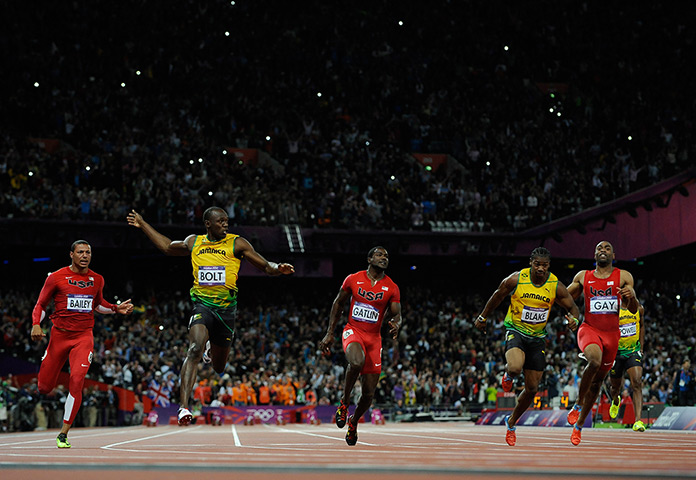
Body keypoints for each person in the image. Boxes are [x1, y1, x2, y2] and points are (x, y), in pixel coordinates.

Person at [127, 207, 294, 425]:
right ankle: (184, 407)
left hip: (227, 312)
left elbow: (265, 265)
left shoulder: (237, 243)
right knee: (194, 348)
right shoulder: (195, 242)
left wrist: (277, 267)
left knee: (218, 367)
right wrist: (144, 224)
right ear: (208, 224)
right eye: (220, 221)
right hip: (202, 306)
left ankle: (210, 347)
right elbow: (167, 247)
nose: (225, 224)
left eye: (226, 221)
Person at [30, 240, 134, 448]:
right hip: (59, 336)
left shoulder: (97, 279)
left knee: (77, 381)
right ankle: (47, 368)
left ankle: (63, 433)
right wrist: (35, 324)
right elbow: (41, 304)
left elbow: (97, 305)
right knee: (43, 387)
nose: (85, 256)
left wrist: (115, 308)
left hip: (83, 338)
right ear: (71, 254)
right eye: (80, 252)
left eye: (88, 252)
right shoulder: (56, 277)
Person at [474, 247, 580, 446]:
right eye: (537, 264)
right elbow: (498, 295)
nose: (541, 268)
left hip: (537, 337)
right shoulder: (516, 279)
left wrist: (574, 319)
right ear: (531, 262)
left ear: (549, 266)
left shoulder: (555, 285)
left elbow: (573, 307)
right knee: (515, 367)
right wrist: (483, 316)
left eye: (545, 265)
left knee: (532, 389)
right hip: (516, 330)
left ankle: (511, 422)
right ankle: (509, 375)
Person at [319, 246, 402, 446]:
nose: (384, 258)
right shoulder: (353, 279)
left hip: (374, 339)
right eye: (380, 254)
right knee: (356, 362)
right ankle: (344, 403)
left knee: (368, 394)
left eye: (387, 256)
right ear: (369, 258)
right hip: (353, 331)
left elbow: (396, 313)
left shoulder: (391, 287)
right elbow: (338, 304)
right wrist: (330, 333)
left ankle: (353, 422)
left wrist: (396, 324)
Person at [565, 240, 638, 446]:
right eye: (599, 248)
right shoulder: (583, 276)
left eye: (607, 248)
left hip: (613, 335)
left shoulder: (624, 277)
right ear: (594, 255)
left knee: (597, 383)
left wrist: (631, 297)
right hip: (589, 329)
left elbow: (632, 309)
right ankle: (578, 404)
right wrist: (569, 317)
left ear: (613, 255)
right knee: (594, 361)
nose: (602, 251)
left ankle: (579, 425)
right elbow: (564, 299)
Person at [608, 302, 646, 431]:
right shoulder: (614, 311)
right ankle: (615, 400)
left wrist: (641, 347)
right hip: (616, 353)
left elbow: (642, 326)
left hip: (632, 352)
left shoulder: (639, 309)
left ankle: (638, 421)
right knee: (615, 387)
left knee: (637, 382)